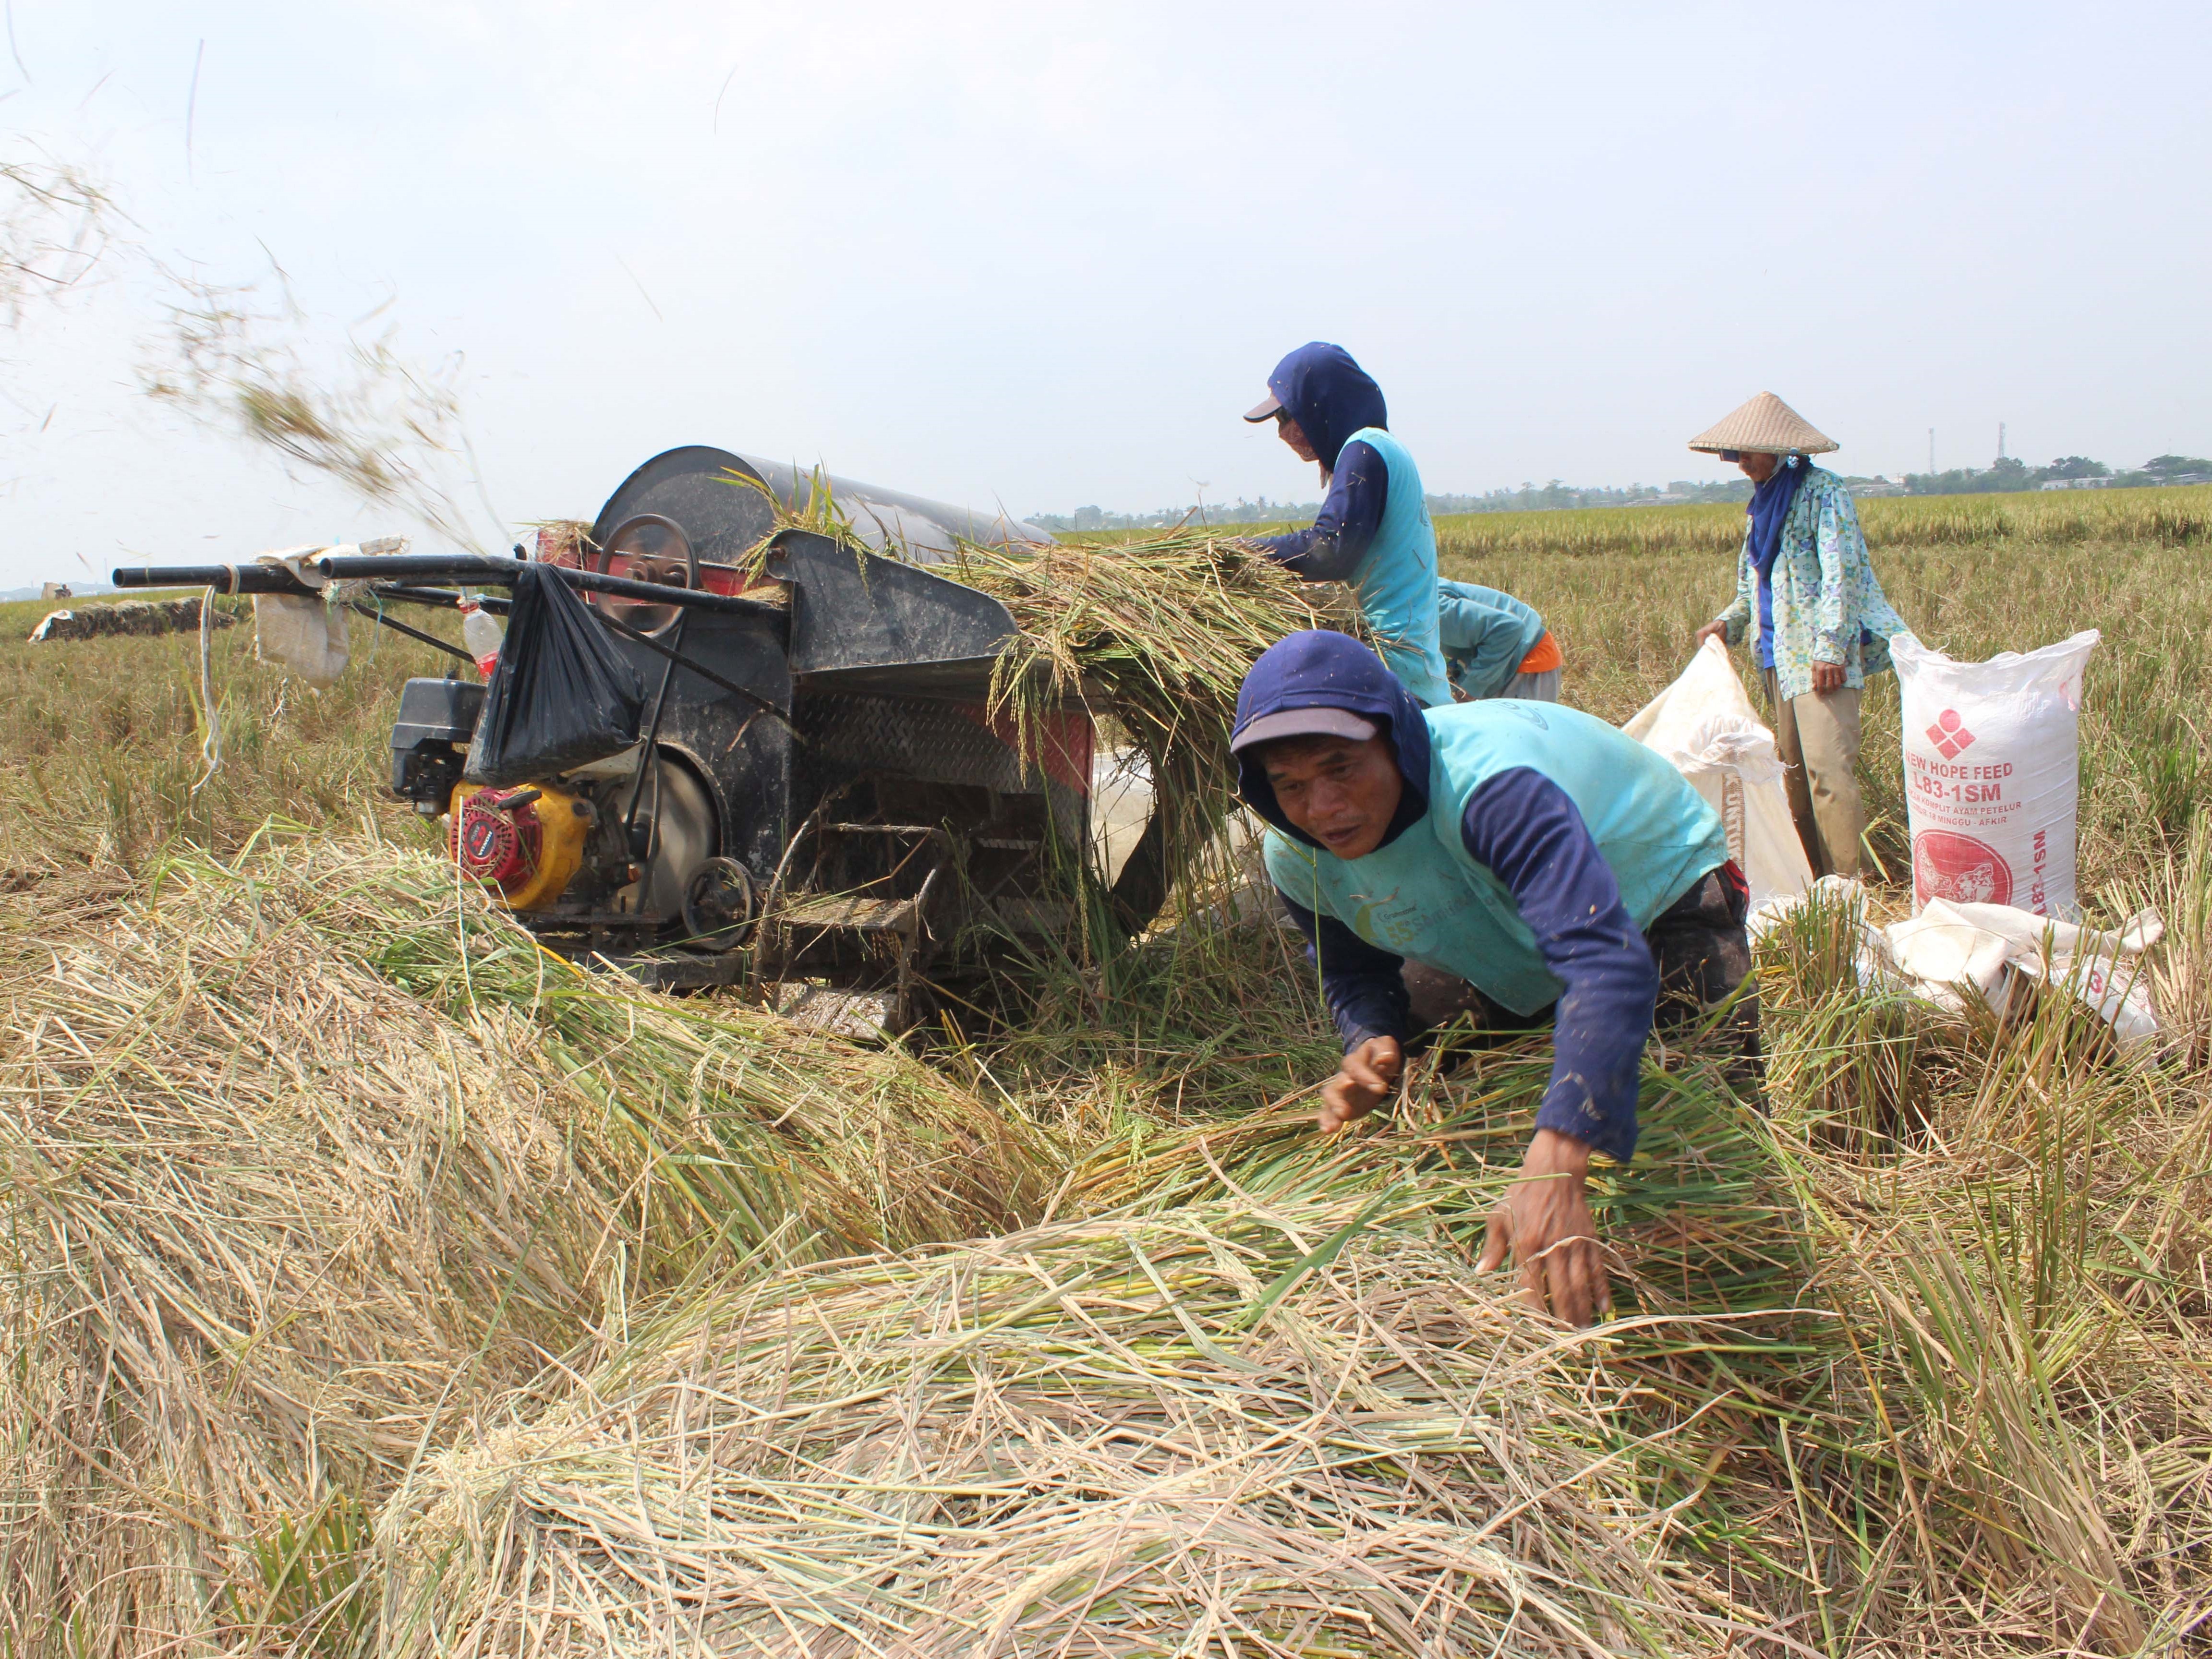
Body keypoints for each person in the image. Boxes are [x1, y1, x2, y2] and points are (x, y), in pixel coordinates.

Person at [1232, 630, 1757, 1326]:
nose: (1322, 807)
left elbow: (1603, 961)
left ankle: (1717, 1301)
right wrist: (1369, 1034)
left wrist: (1560, 1150)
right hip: (1497, 914)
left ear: (1396, 743)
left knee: (1701, 1129)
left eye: (1341, 768)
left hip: (1646, 895)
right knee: (1456, 1102)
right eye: (1290, 786)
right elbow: (1352, 967)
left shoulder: (1490, 789)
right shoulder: (1295, 857)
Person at [1687, 393, 1913, 880]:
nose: (1740, 461)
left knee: (1827, 773)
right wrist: (1728, 623)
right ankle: (1811, 882)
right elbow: (1752, 586)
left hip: (1817, 658)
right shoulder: (1760, 507)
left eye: (1748, 452)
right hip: (1776, 656)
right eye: (1735, 453)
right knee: (1792, 777)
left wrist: (1830, 647)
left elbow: (1842, 573)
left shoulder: (1822, 492)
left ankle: (1849, 884)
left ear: (1777, 449)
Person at [1242, 344, 1453, 707]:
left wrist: (1241, 553)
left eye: (1286, 416)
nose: (1283, 432)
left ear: (1319, 405)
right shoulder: (1380, 448)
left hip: (1392, 677)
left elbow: (1330, 550)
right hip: (1404, 672)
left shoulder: (1365, 448)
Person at [1436, 578, 1562, 702]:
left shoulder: (1433, 608)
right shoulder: (1428, 598)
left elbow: (1509, 629)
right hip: (1497, 666)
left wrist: (1470, 689)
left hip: (1525, 661)